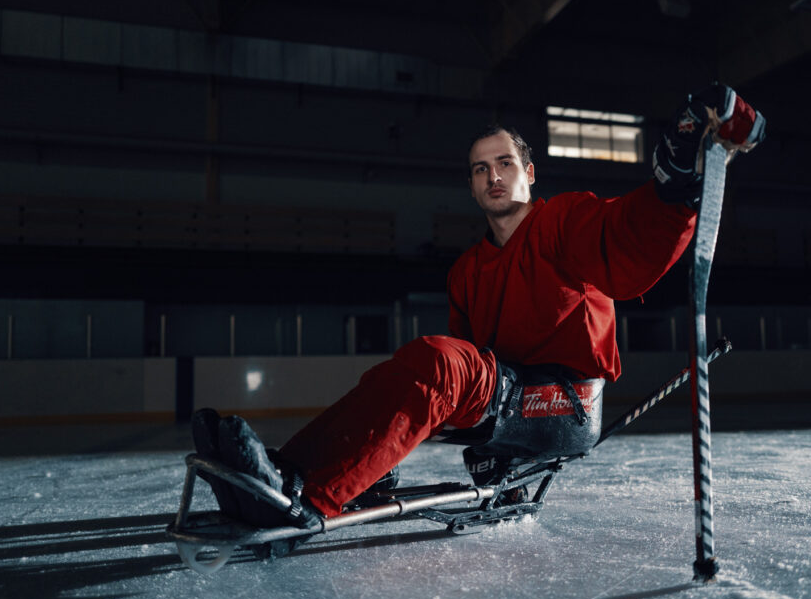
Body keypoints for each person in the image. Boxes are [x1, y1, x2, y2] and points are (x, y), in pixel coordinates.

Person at [192, 83, 765, 530]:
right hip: (509, 394)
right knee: (412, 366)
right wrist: (383, 441)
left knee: (441, 362)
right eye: (480, 169)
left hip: (564, 403)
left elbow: (626, 239)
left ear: (529, 173)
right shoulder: (465, 271)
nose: (493, 176)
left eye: (505, 164)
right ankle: (288, 472)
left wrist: (675, 185)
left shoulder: (563, 221)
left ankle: (302, 496)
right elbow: (457, 380)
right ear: (471, 186)